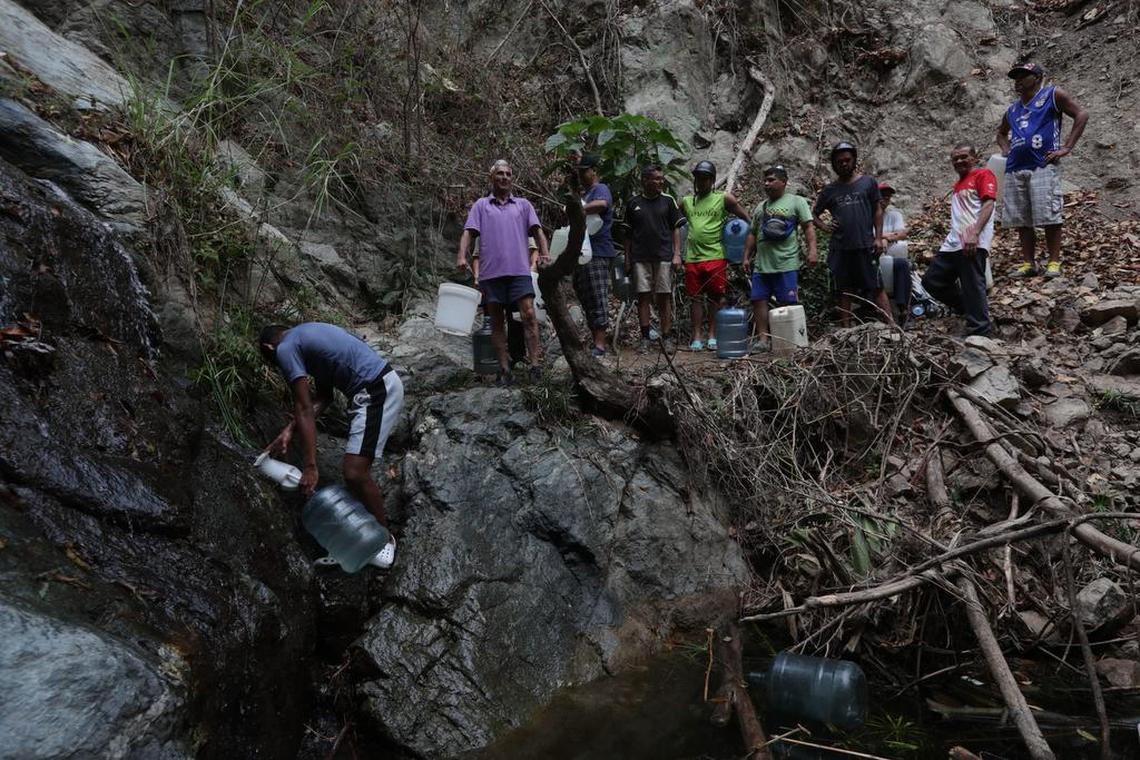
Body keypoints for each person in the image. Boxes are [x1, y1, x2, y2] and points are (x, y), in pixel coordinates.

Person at [259, 322, 403, 568]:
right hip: (373, 389)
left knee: (355, 472)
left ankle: (383, 542)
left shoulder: (285, 347)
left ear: (269, 347)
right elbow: (323, 398)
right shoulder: (306, 340)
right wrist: (289, 430)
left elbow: (304, 408)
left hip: (376, 390)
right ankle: (364, 536)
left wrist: (310, 466)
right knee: (353, 472)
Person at [456, 159, 550, 384]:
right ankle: (505, 369)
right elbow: (468, 232)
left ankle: (535, 365)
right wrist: (461, 255)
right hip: (491, 274)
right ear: (492, 178)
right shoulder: (481, 205)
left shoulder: (523, 205)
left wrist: (545, 254)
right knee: (497, 321)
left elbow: (537, 231)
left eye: (508, 174)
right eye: (500, 173)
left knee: (528, 315)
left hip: (519, 271)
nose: (504, 177)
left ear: (512, 178)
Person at [997, 61, 1089, 279]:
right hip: (1015, 168)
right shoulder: (1012, 109)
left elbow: (1081, 114)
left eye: (1023, 76)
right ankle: (1029, 263)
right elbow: (1001, 133)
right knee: (1022, 219)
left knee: (1049, 215)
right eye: (1015, 78)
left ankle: (1054, 262)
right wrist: (1006, 148)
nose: (1018, 81)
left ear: (1037, 77)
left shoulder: (1052, 95)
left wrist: (1066, 147)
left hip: (1043, 164)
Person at [813, 142, 892, 328]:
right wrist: (825, 227)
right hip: (840, 247)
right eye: (839, 161)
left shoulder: (868, 183)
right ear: (834, 164)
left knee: (876, 285)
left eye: (847, 160)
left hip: (865, 244)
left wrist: (878, 237)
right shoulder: (830, 190)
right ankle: (846, 330)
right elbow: (813, 214)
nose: (844, 164)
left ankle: (892, 325)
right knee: (844, 289)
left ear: (854, 160)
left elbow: (877, 210)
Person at [921, 144, 996, 337]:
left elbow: (988, 203)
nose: (959, 161)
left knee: (972, 283)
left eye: (964, 157)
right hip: (953, 242)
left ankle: (980, 332)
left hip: (972, 240)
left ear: (974, 157)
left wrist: (975, 233)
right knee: (932, 281)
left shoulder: (983, 175)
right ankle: (967, 307)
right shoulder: (958, 185)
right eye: (955, 159)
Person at [742, 165, 816, 351]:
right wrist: (746, 257)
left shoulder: (796, 202)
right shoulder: (761, 207)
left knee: (787, 301)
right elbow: (752, 233)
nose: (766, 183)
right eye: (765, 180)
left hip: (786, 262)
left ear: (784, 182)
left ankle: (788, 340)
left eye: (771, 180)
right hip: (762, 264)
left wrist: (812, 251)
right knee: (759, 299)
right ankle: (763, 340)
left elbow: (808, 227)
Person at [679, 160, 751, 351]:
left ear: (712, 180)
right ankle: (696, 336)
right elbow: (675, 224)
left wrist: (746, 239)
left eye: (705, 179)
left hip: (716, 256)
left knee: (715, 297)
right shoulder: (686, 202)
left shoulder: (723, 199)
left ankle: (712, 335)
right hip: (693, 258)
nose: (701, 182)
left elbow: (745, 218)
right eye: (698, 179)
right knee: (694, 298)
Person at [624, 165, 683, 352]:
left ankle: (666, 337)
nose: (660, 182)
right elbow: (627, 234)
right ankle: (645, 337)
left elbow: (676, 228)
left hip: (663, 256)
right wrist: (627, 258)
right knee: (643, 296)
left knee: (664, 296)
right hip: (640, 257)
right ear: (645, 180)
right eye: (656, 178)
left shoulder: (668, 201)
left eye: (661, 178)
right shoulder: (633, 203)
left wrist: (677, 254)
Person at [573, 154, 616, 357]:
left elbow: (602, 204)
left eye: (585, 171)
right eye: (579, 171)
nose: (582, 175)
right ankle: (594, 341)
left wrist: (578, 208)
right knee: (586, 295)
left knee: (597, 295)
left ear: (594, 171)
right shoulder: (585, 193)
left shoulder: (601, 189)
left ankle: (600, 344)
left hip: (598, 251)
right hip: (583, 251)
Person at [878, 182, 913, 324]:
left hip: (890, 255)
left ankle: (902, 307)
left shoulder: (894, 215)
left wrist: (885, 237)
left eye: (887, 198)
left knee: (902, 264)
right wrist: (885, 237)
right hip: (872, 256)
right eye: (881, 197)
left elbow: (902, 234)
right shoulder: (866, 214)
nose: (884, 200)